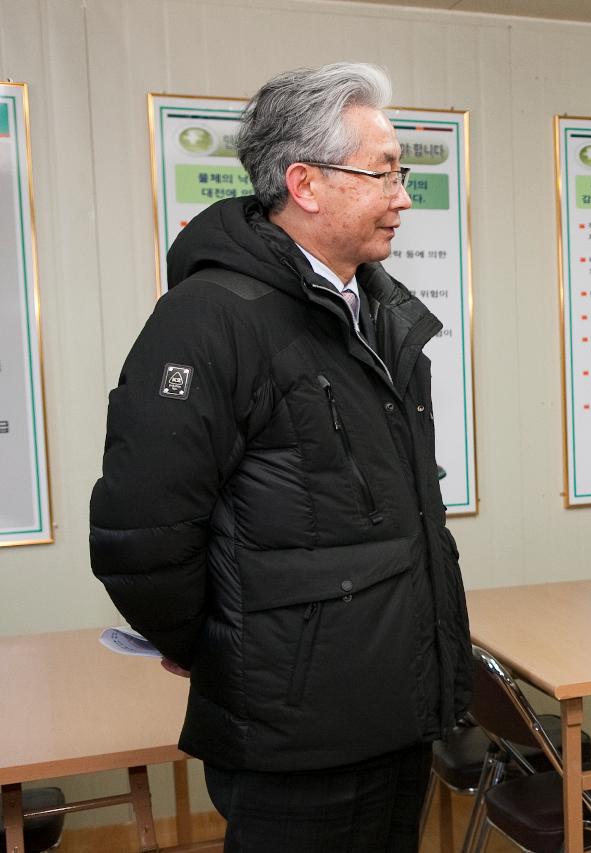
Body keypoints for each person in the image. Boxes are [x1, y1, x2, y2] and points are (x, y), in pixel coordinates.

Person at [89, 62, 469, 851]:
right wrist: (221, 647)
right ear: (306, 183)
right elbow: (140, 533)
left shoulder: (376, 312)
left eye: (404, 174)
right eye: (385, 173)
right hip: (298, 735)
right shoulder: (211, 318)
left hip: (395, 709)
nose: (403, 196)